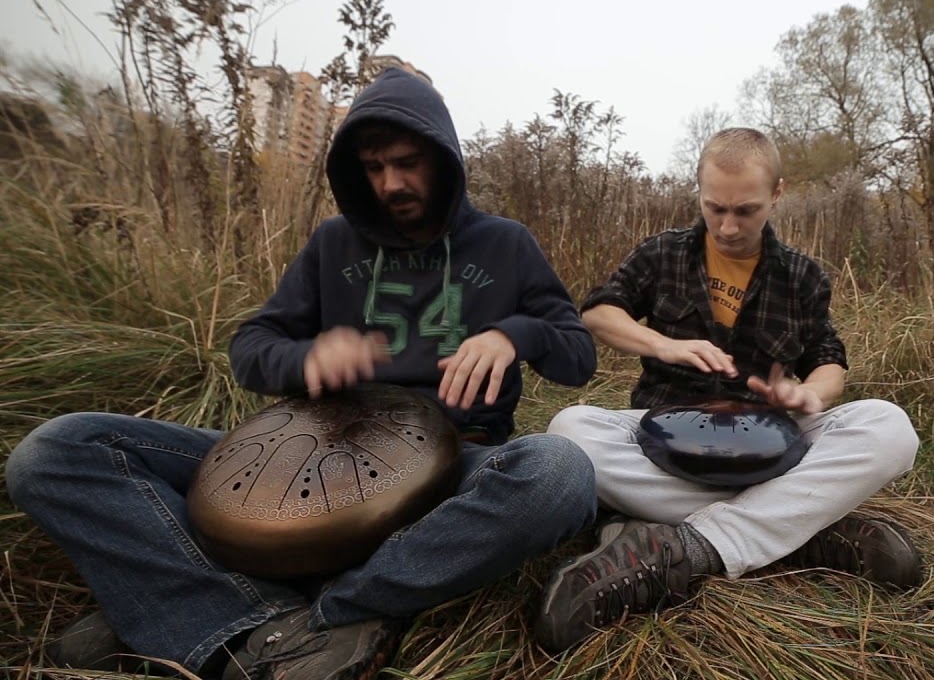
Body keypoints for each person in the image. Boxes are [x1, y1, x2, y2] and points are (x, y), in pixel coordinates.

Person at [6, 67, 599, 678]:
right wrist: (306, 358)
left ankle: (311, 610)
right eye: (372, 167)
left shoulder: (506, 243)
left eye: (406, 162)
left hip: (450, 463)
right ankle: (248, 616)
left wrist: (514, 334)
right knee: (54, 452)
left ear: (444, 157)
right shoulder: (332, 242)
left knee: (560, 475)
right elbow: (251, 346)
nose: (390, 183)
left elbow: (578, 357)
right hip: (297, 453)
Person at [534, 127, 922, 653]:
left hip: (771, 437)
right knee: (570, 429)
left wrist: (811, 394)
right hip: (662, 433)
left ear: (777, 194)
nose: (729, 226)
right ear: (698, 191)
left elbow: (830, 361)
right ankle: (799, 530)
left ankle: (690, 544)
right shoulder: (663, 253)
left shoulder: (803, 277)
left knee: (889, 426)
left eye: (746, 210)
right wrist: (662, 345)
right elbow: (600, 311)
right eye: (715, 207)